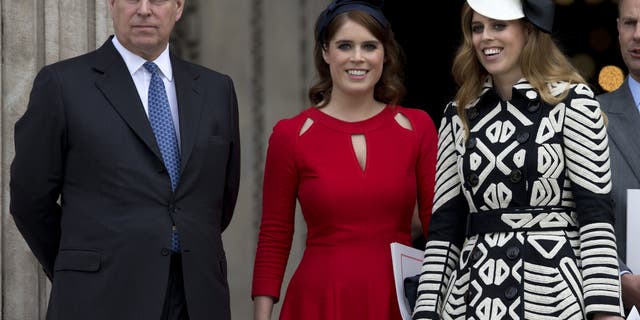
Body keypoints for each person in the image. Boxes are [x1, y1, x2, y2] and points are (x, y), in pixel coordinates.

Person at [9, 0, 240, 319]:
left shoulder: (218, 90)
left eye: (157, 0)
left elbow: (219, 201)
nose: (144, 9)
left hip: (196, 298)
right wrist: (81, 266)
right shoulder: (62, 85)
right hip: (101, 297)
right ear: (112, 4)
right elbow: (29, 200)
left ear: (178, 7)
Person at [412, 0, 625, 319]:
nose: (485, 37)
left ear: (528, 31)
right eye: (477, 27)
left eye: (499, 25)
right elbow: (445, 228)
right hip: (474, 297)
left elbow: (595, 216)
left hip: (551, 297)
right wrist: (426, 310)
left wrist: (605, 310)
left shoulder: (574, 103)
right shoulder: (458, 114)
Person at [251, 0, 438, 319]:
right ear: (325, 52)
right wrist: (262, 316)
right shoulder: (291, 135)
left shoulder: (417, 127)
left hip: (396, 299)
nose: (357, 57)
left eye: (369, 46)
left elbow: (439, 224)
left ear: (384, 53)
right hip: (318, 301)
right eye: (344, 45)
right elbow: (274, 234)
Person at [596, 0, 640, 312]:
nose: (637, 35)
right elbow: (575, 216)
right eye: (629, 23)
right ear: (618, 29)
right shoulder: (590, 115)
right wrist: (619, 276)